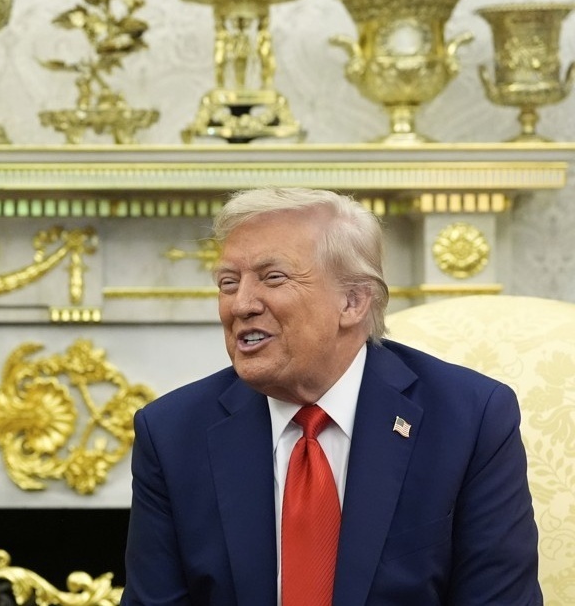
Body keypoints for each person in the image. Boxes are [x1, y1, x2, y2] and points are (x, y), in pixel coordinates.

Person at [123, 187, 540, 605]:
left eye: (273, 277)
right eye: (228, 283)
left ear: (353, 302)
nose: (240, 305)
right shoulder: (172, 433)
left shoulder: (469, 419)